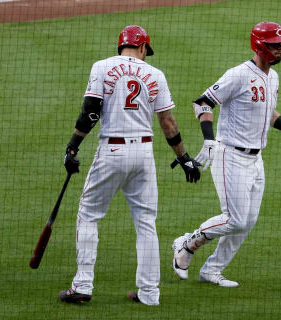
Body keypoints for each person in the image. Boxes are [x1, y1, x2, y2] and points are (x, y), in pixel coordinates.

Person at [59, 25, 200, 306]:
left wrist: (73, 147)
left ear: (121, 45)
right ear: (143, 47)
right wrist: (184, 157)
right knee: (146, 223)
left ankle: (83, 286)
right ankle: (149, 294)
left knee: (89, 215)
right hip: (144, 154)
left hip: (111, 151)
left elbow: (90, 111)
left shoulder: (101, 67)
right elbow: (168, 122)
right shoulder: (155, 74)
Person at [171, 22, 281, 287]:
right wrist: (209, 140)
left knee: (247, 221)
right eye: (274, 45)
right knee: (235, 219)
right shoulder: (238, 75)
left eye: (280, 45)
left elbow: (266, 111)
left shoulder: (273, 78)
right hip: (230, 155)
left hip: (256, 159)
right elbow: (202, 102)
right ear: (259, 46)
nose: (279, 50)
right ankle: (187, 244)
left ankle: (212, 270)